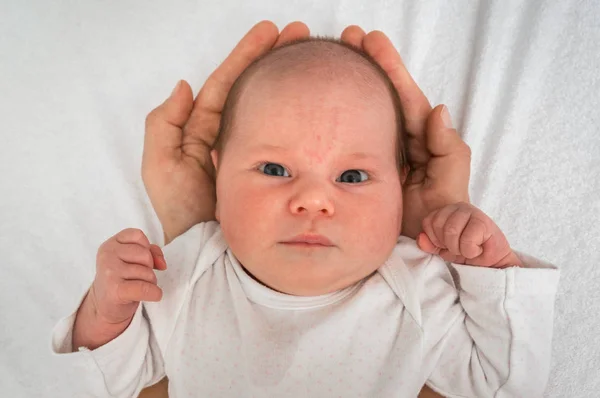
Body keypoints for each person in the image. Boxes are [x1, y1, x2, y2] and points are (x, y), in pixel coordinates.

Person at [51, 22, 559, 397]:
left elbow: (502, 383)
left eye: (353, 177)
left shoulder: (418, 285)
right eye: (273, 169)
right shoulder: (187, 269)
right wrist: (104, 314)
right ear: (217, 172)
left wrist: (491, 274)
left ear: (400, 189)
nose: (314, 200)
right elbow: (105, 382)